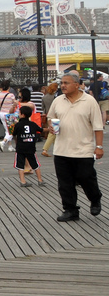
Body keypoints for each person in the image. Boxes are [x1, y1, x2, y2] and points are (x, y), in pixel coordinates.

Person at [46, 71, 103, 222]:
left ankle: (95, 198)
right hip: (61, 149)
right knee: (65, 183)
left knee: (86, 178)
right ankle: (70, 210)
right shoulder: (58, 100)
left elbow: (98, 126)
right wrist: (50, 126)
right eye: (61, 83)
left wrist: (99, 147)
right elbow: (50, 118)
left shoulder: (89, 101)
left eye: (66, 83)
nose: (62, 86)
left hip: (83, 149)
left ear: (76, 85)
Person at [12, 106, 45, 187]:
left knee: (20, 165)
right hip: (31, 147)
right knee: (35, 164)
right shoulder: (33, 124)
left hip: (20, 148)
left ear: (22, 115)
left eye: (19, 113)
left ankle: (23, 181)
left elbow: (13, 134)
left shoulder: (18, 125)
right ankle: (40, 180)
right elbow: (41, 130)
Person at [0, 79, 18, 152]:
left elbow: (0, 105)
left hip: (1, 113)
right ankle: (3, 142)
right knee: (11, 131)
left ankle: (10, 146)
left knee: (7, 130)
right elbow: (15, 104)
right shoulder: (11, 95)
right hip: (9, 114)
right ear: (8, 87)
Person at [41, 81, 59, 157]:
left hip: (48, 115)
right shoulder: (56, 97)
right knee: (53, 133)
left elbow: (43, 108)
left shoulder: (44, 97)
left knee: (53, 133)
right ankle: (45, 149)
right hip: (56, 116)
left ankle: (56, 149)